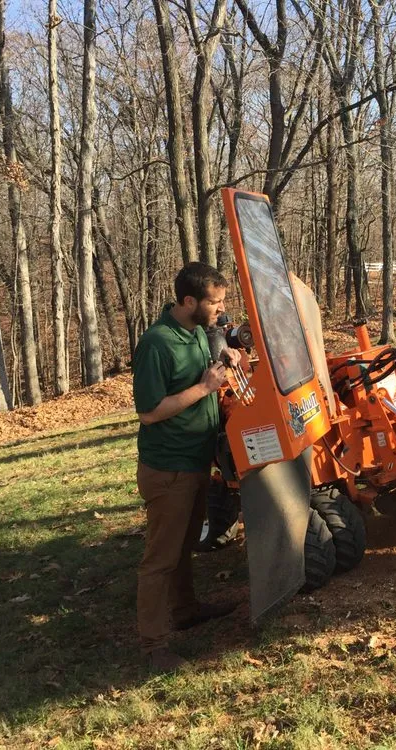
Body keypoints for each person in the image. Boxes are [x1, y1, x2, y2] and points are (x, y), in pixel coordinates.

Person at [132, 262, 240, 672]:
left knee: (185, 545)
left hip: (196, 461)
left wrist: (225, 355)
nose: (221, 309)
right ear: (189, 301)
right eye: (215, 302)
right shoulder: (157, 344)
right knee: (161, 558)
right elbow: (149, 412)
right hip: (169, 468)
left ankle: (186, 609)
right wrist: (203, 388)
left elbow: (210, 354)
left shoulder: (197, 331)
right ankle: (154, 646)